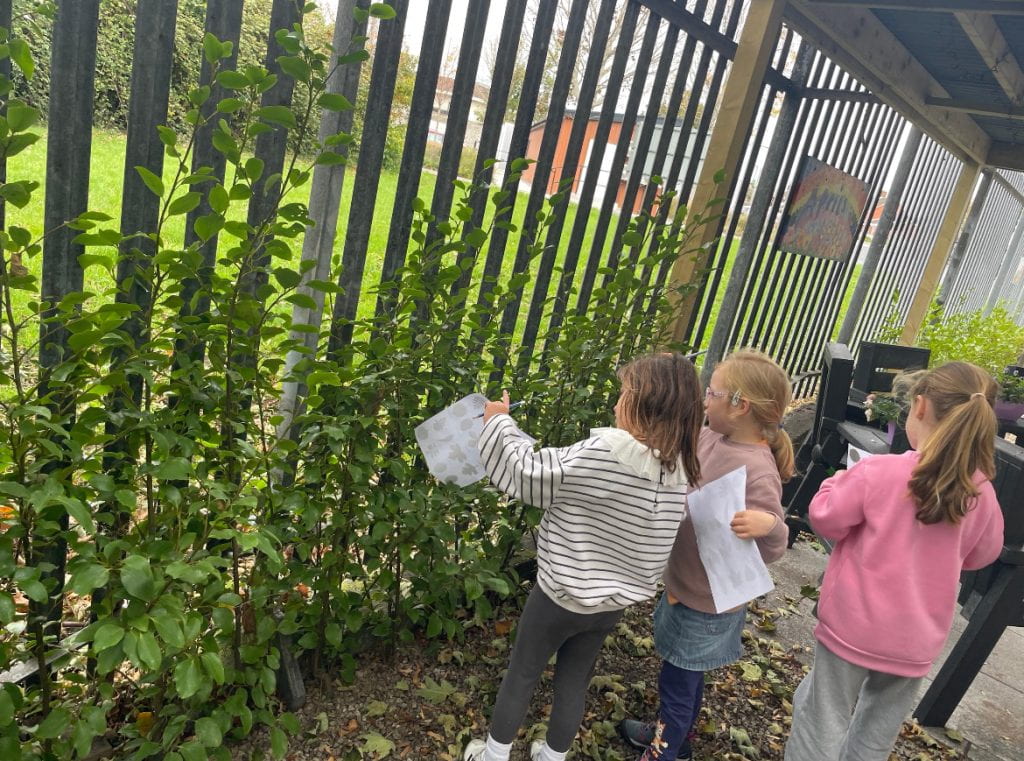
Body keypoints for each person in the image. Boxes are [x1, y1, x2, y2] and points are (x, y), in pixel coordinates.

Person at [463, 353, 705, 761]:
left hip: (557, 597)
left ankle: (493, 754)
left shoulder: (607, 453)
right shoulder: (678, 470)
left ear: (643, 404)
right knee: (574, 683)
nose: (615, 403)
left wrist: (498, 422)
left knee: (522, 674)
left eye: (624, 394)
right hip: (610, 605)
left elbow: (529, 474)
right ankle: (552, 756)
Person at [784, 361, 1005, 761]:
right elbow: (982, 556)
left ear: (920, 406)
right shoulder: (981, 495)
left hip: (851, 626)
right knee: (876, 734)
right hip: (914, 643)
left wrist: (835, 481)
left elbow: (826, 518)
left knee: (822, 718)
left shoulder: (880, 471)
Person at [619, 349, 795, 761]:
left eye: (712, 393)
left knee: (678, 683)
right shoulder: (711, 435)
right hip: (684, 583)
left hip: (709, 605)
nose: (704, 401)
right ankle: (677, 741)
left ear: (740, 405)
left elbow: (774, 546)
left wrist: (769, 525)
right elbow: (677, 455)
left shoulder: (758, 470)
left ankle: (663, 751)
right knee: (685, 674)